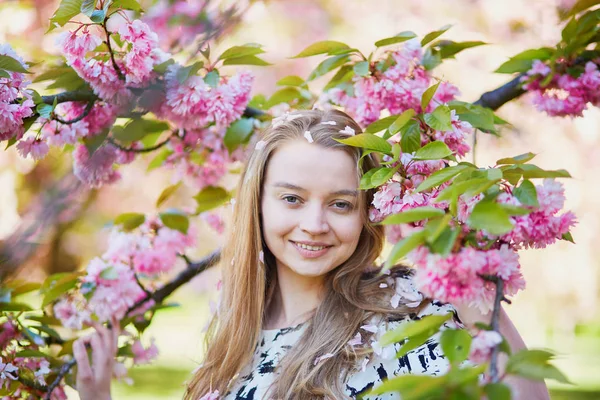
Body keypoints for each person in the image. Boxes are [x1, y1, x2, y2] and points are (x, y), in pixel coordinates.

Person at [74, 109, 550, 400]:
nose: (315, 225)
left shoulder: (408, 304)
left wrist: (476, 304)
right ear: (257, 204)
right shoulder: (235, 332)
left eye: (341, 204)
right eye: (292, 199)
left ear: (367, 214)